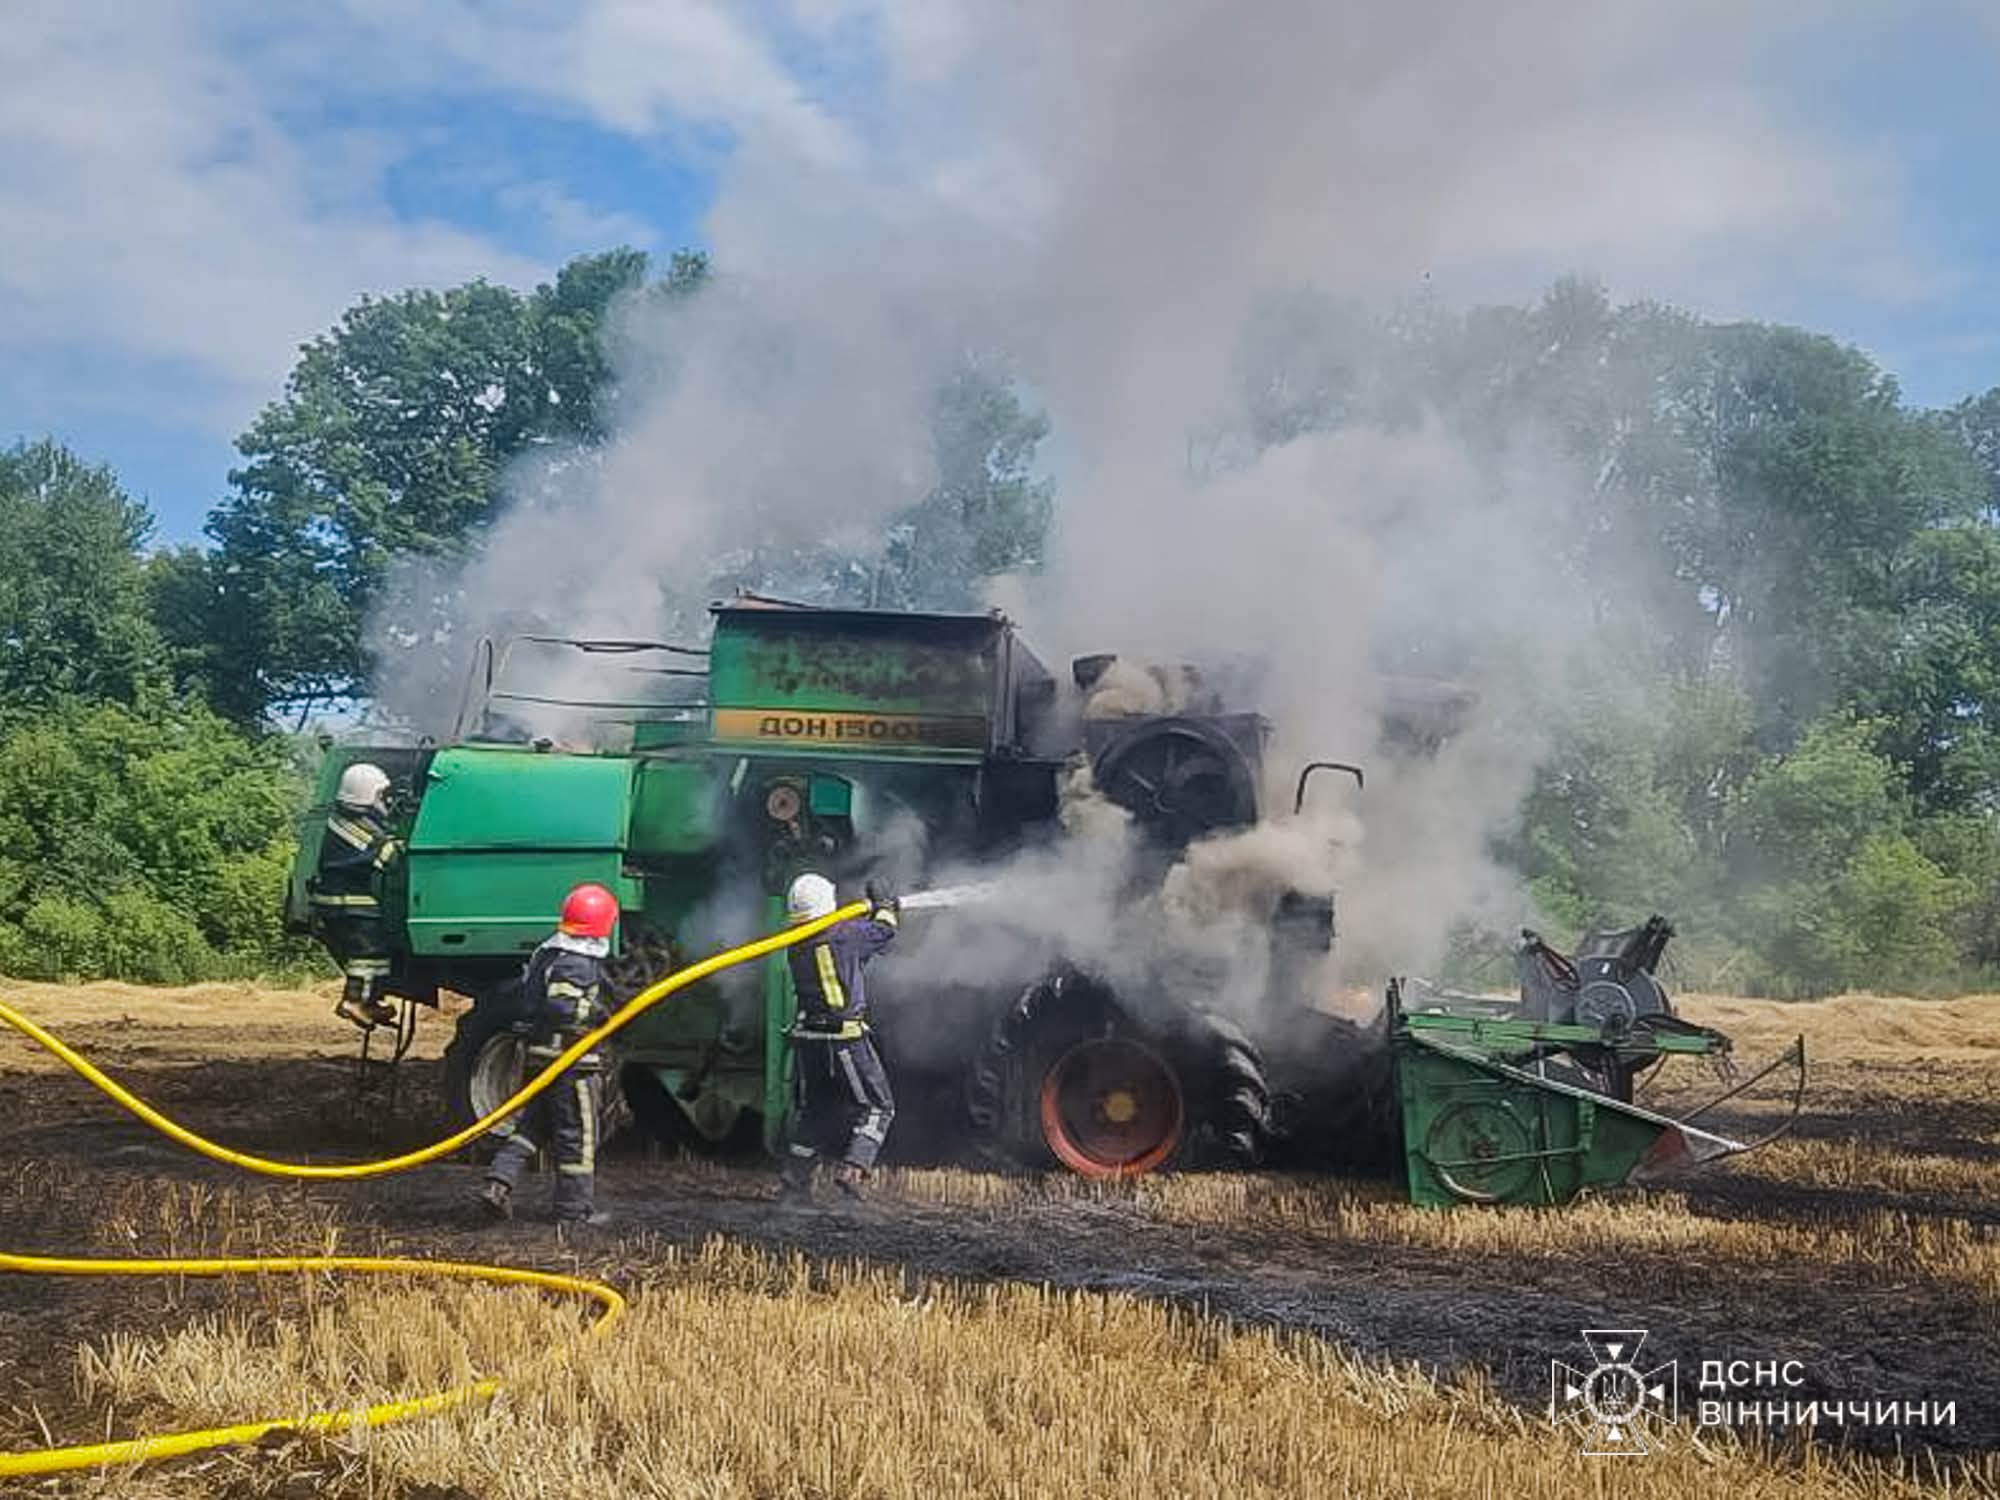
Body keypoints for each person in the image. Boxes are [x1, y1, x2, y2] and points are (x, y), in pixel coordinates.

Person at [475, 882, 618, 1226]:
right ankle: (573, 1211)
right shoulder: (578, 962)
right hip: (570, 1065)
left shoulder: (549, 954)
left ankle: (499, 1182)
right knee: (578, 1138)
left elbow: (529, 1001)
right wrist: (600, 1012)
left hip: (542, 1060)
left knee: (532, 1128)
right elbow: (564, 1007)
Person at [779, 872, 900, 1205]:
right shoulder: (845, 935)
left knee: (815, 1110)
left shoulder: (795, 940)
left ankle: (795, 1180)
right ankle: (853, 1172)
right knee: (878, 1106)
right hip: (843, 1039)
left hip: (809, 1038)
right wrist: (886, 905)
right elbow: (885, 932)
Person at [312, 762, 404, 1030]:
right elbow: (384, 854)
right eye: (379, 795)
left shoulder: (345, 819)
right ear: (365, 795)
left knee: (378, 952)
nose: (383, 801)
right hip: (345, 904)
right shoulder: (353, 828)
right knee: (369, 952)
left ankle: (370, 1001)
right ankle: (353, 1002)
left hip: (346, 901)